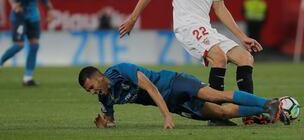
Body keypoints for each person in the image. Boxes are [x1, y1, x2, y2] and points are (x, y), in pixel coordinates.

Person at [119, 0, 263, 125]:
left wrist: (242, 36)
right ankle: (216, 116)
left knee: (245, 58)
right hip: (186, 26)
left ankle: (250, 113)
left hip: (206, 27)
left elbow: (220, 8)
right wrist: (133, 18)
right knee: (219, 58)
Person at [78, 62, 290, 129]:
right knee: (220, 115)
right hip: (173, 103)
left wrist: (166, 117)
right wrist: (104, 123)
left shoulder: (120, 70)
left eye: (91, 86)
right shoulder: (105, 98)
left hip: (174, 83)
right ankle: (273, 111)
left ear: (98, 77)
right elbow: (111, 121)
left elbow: (151, 88)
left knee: (217, 97)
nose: (92, 91)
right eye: (89, 91)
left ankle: (268, 103)